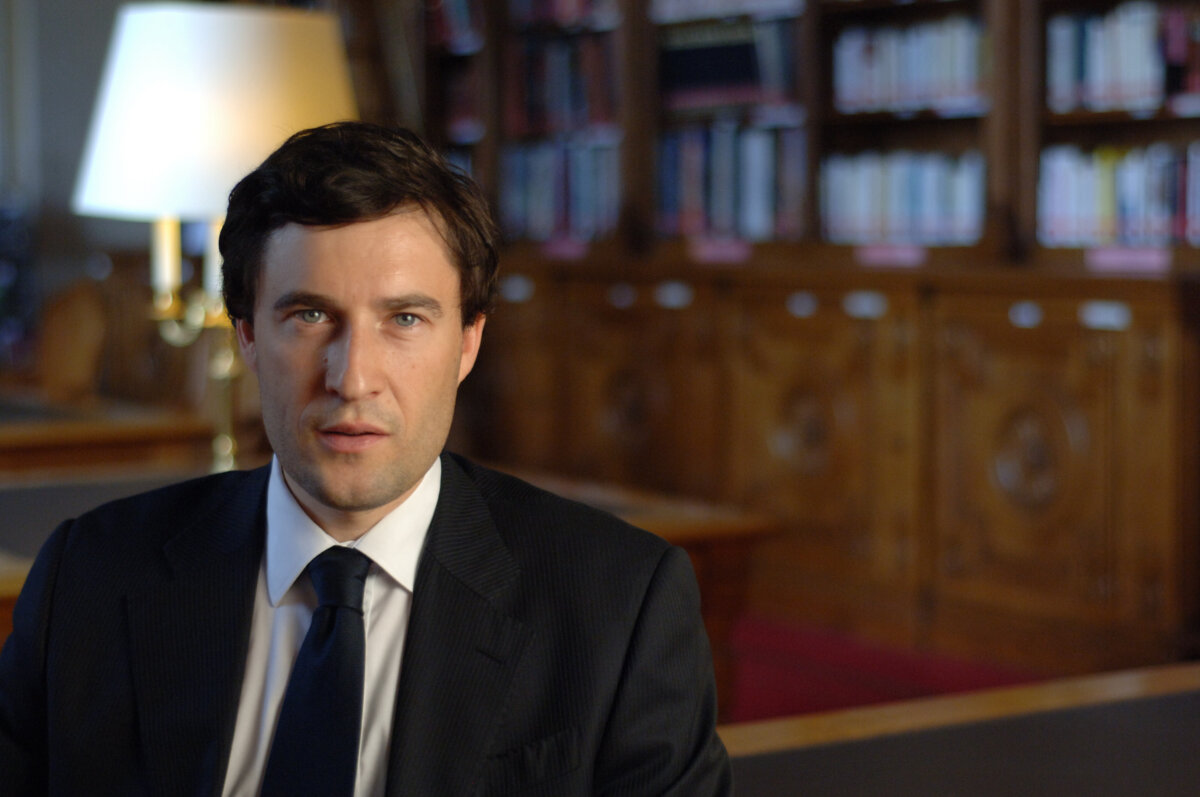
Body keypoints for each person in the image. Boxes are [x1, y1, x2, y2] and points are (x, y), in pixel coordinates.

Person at [0, 121, 732, 796]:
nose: (352, 378)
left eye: (404, 319)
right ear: (247, 336)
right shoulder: (88, 577)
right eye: (310, 315)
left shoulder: (618, 607)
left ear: (468, 341)